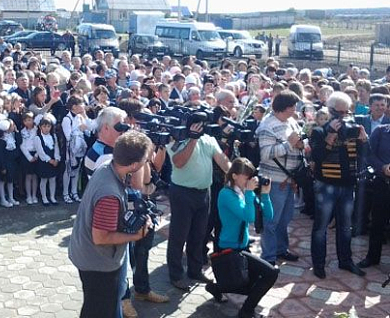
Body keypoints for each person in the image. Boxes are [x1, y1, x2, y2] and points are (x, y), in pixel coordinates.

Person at [69, 130, 153, 318]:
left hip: (87, 254)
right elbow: (100, 237)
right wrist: (136, 235)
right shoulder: (109, 194)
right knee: (99, 310)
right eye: (145, 160)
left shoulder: (109, 165)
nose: (147, 163)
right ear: (133, 164)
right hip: (98, 263)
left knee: (94, 306)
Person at [205, 158, 279, 318]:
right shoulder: (226, 194)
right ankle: (246, 312)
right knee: (270, 273)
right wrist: (250, 193)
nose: (250, 180)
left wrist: (265, 195)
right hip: (229, 248)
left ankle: (217, 288)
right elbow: (249, 216)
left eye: (251, 176)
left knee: (249, 285)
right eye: (246, 177)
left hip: (243, 247)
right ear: (234, 176)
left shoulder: (243, 192)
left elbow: (269, 215)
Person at [166, 120, 232, 291]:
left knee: (199, 234)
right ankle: (176, 275)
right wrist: (192, 139)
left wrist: (237, 176)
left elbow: (223, 161)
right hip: (182, 193)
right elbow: (178, 162)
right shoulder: (177, 139)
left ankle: (194, 271)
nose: (199, 126)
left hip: (204, 192)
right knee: (178, 235)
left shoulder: (209, 139)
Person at [310, 91, 368, 279]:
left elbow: (363, 155)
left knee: (345, 226)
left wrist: (363, 140)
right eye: (339, 113)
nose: (343, 116)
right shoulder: (319, 131)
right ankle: (318, 264)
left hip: (347, 185)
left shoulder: (352, 129)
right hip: (325, 185)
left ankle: (345, 261)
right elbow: (316, 158)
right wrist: (329, 137)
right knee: (321, 227)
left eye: (346, 112)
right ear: (330, 111)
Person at [255, 90, 303, 265]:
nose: (295, 110)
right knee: (271, 220)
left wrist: (299, 144)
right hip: (274, 181)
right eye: (293, 106)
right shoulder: (267, 126)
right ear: (285, 107)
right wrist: (289, 143)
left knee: (285, 218)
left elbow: (296, 143)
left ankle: (281, 249)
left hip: (290, 180)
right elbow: (266, 154)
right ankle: (268, 256)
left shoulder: (291, 121)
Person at [358, 123, 390, 268]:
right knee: (377, 223)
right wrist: (382, 167)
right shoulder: (381, 131)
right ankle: (372, 257)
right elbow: (369, 155)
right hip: (383, 183)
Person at [34, 113, 61, 205]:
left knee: (53, 179)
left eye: (48, 126)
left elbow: (56, 148)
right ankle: (44, 197)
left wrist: (57, 159)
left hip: (53, 161)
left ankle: (52, 197)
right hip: (44, 162)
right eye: (44, 126)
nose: (46, 128)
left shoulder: (53, 136)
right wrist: (49, 160)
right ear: (40, 127)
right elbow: (41, 152)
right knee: (44, 180)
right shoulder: (38, 138)